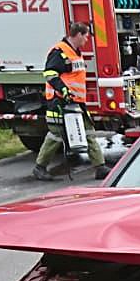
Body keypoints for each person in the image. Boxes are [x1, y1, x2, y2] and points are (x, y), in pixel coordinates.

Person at [35, 21, 105, 180]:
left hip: (77, 102)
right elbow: (50, 74)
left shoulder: (76, 52)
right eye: (86, 36)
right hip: (59, 102)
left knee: (88, 133)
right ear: (78, 35)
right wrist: (63, 90)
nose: (87, 40)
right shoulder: (59, 52)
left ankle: (100, 167)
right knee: (55, 135)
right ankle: (40, 167)